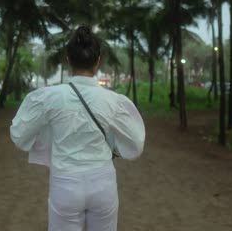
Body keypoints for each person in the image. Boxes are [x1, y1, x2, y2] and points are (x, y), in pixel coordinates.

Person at [10, 25, 145, 231]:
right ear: (98, 61)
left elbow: (19, 135)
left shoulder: (49, 97)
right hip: (103, 183)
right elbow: (136, 143)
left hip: (65, 184)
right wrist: (115, 146)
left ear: (68, 59)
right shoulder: (113, 101)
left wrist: (45, 137)